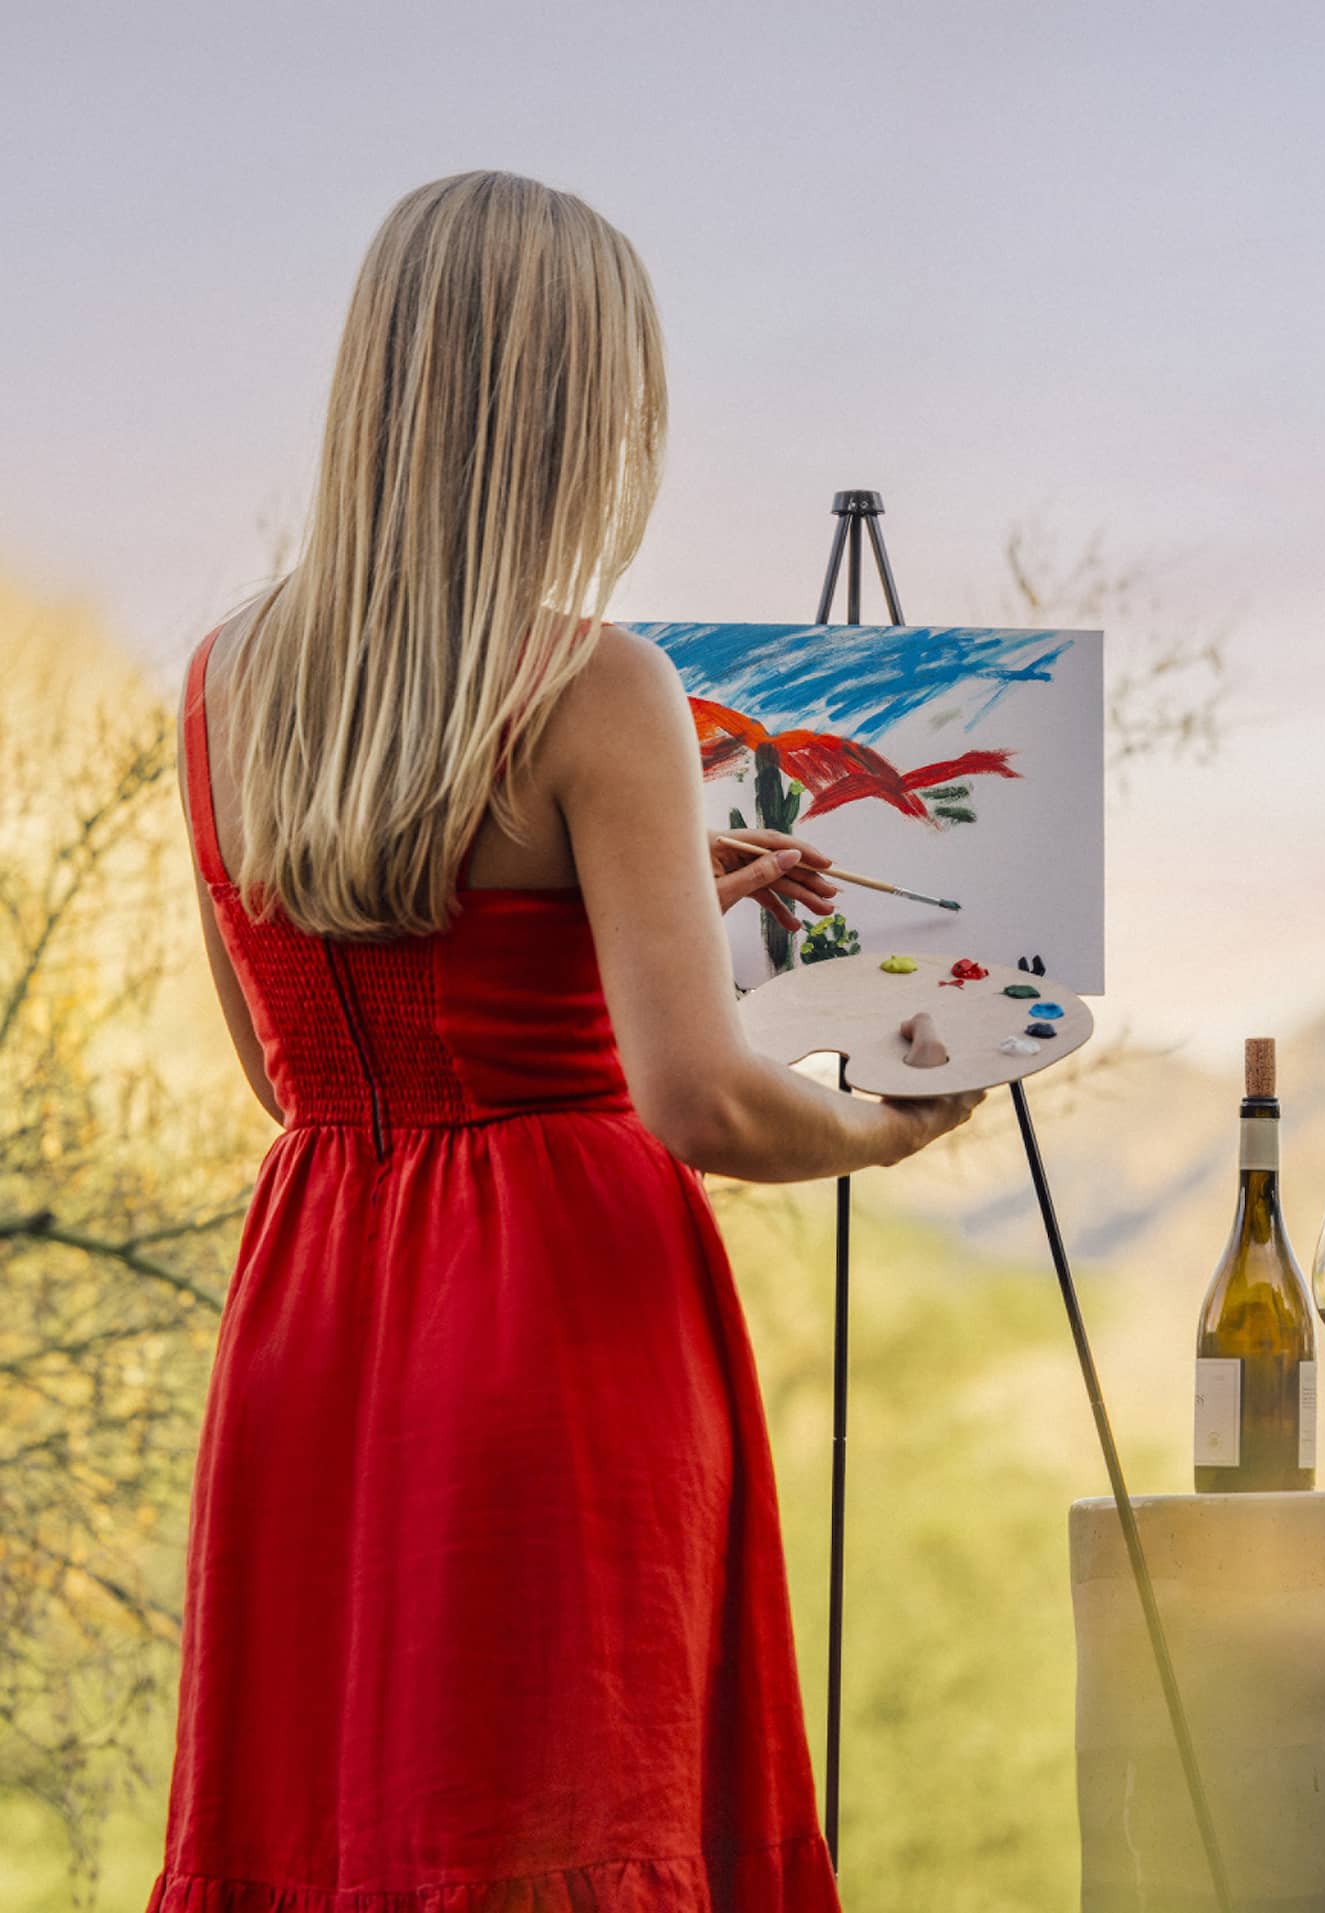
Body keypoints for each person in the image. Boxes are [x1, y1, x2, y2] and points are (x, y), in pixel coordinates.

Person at [145, 169, 983, 1913]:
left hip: (318, 1304)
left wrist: (661, 894)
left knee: (344, 1828)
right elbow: (701, 1100)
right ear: (578, 408)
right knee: (559, 1816)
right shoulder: (596, 687)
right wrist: (886, 1130)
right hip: (556, 1320)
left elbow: (290, 1067)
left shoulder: (228, 681)